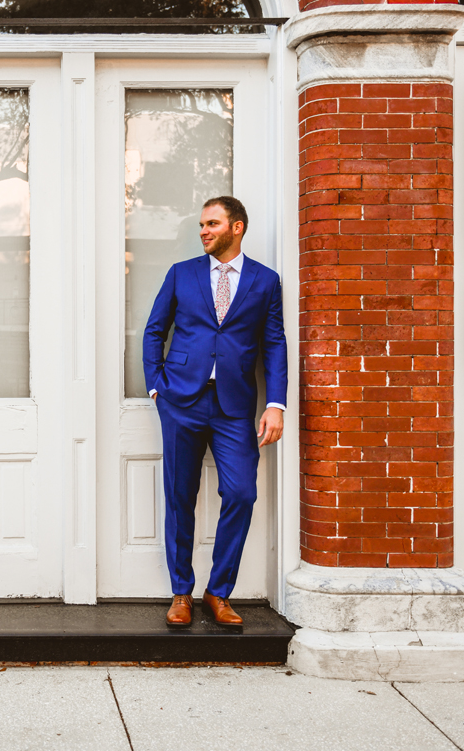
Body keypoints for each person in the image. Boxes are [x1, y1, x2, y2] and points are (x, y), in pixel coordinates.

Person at [143, 196, 287, 629]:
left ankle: (218, 591)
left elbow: (274, 344)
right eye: (202, 225)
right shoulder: (181, 274)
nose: (203, 231)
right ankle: (181, 592)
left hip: (234, 408)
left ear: (236, 227)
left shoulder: (265, 281)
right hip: (181, 401)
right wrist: (156, 387)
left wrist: (275, 404)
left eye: (212, 223)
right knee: (180, 497)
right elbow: (155, 330)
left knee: (242, 493)